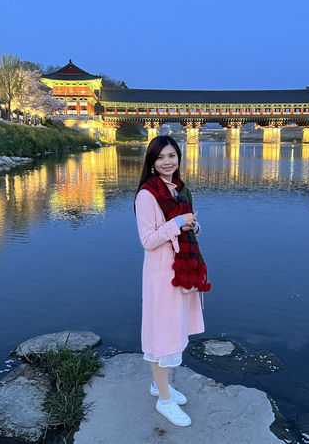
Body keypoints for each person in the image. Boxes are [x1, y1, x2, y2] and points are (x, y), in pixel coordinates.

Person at [134, 136, 211, 427]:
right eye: (161, 157)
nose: (168, 162)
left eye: (172, 156)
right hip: (161, 273)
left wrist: (193, 225)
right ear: (152, 163)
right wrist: (178, 224)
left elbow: (182, 225)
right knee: (162, 333)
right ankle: (164, 400)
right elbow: (148, 240)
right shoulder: (147, 195)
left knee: (174, 327)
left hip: (182, 267)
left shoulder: (179, 189)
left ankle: (159, 385)